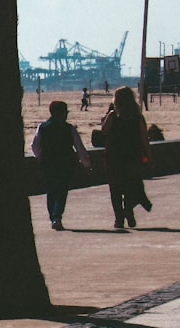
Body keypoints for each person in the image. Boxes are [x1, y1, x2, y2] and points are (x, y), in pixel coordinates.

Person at [31, 100, 91, 231]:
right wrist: (85, 162)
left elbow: (35, 146)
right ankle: (57, 216)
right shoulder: (69, 129)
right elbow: (79, 147)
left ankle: (53, 216)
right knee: (62, 191)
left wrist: (41, 156)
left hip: (47, 163)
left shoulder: (42, 127)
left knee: (51, 190)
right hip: (66, 163)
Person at [102, 86, 153, 229]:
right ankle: (128, 211)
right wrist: (149, 158)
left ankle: (119, 218)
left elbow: (104, 130)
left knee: (115, 189)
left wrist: (110, 114)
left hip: (113, 157)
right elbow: (145, 140)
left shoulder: (113, 116)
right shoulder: (137, 117)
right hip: (133, 156)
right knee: (130, 186)